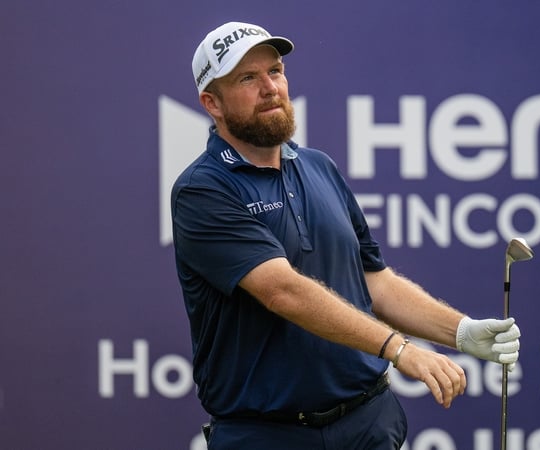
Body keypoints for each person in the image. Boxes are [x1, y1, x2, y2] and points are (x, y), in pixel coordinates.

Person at [172, 21, 522, 450]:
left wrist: (461, 331)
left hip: (367, 423)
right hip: (265, 434)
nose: (270, 87)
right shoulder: (203, 189)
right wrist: (399, 349)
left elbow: (373, 280)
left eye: (276, 71)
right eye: (247, 78)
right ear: (212, 103)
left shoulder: (319, 166)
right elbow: (283, 291)